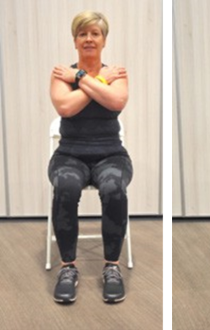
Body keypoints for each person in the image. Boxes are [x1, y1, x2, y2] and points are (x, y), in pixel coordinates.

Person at [48, 10, 133, 304]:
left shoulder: (118, 74)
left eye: (94, 34)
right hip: (69, 155)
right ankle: (67, 268)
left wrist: (82, 78)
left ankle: (112, 266)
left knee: (112, 188)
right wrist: (96, 79)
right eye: (82, 34)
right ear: (75, 41)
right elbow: (66, 108)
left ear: (104, 40)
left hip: (111, 155)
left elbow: (116, 101)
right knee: (66, 187)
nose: (88, 39)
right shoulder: (62, 74)